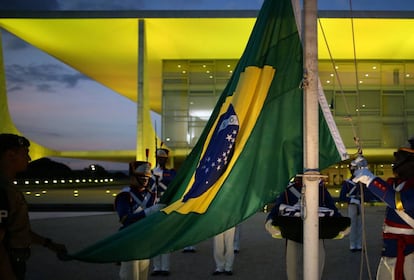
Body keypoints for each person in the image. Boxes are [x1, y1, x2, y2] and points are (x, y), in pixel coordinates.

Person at [0, 133, 67, 280]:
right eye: (26, 154)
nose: (29, 159)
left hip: (16, 262)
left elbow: (17, 231)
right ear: (11, 155)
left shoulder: (9, 189)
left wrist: (49, 244)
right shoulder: (2, 191)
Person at [352, 138, 414, 280]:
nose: (396, 162)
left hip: (408, 253)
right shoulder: (398, 184)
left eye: (400, 158)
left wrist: (370, 179)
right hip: (390, 249)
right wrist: (359, 172)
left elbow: (400, 203)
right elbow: (370, 195)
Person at [265, 176, 347, 280]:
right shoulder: (289, 189)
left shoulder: (320, 189)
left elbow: (332, 209)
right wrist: (270, 220)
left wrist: (340, 223)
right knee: (294, 271)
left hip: (316, 233)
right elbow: (277, 209)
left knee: (315, 271)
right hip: (293, 233)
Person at [114, 161, 160, 280]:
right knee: (130, 276)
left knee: (143, 276)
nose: (145, 180)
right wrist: (148, 212)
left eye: (147, 177)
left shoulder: (151, 194)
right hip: (130, 240)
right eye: (141, 177)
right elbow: (125, 220)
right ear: (133, 177)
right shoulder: (125, 195)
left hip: (145, 239)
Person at [149, 148, 176, 276]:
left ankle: (165, 267)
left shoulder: (171, 173)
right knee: (154, 238)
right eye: (159, 157)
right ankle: (156, 267)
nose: (161, 159)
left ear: (166, 159)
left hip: (166, 206)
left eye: (163, 157)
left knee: (165, 237)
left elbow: (174, 186)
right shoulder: (151, 172)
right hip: (154, 206)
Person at [339, 163, 377, 252]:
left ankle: (359, 244)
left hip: (360, 204)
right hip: (352, 205)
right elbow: (342, 197)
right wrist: (352, 200)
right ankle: (352, 245)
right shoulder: (347, 183)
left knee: (361, 225)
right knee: (352, 225)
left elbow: (367, 194)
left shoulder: (362, 183)